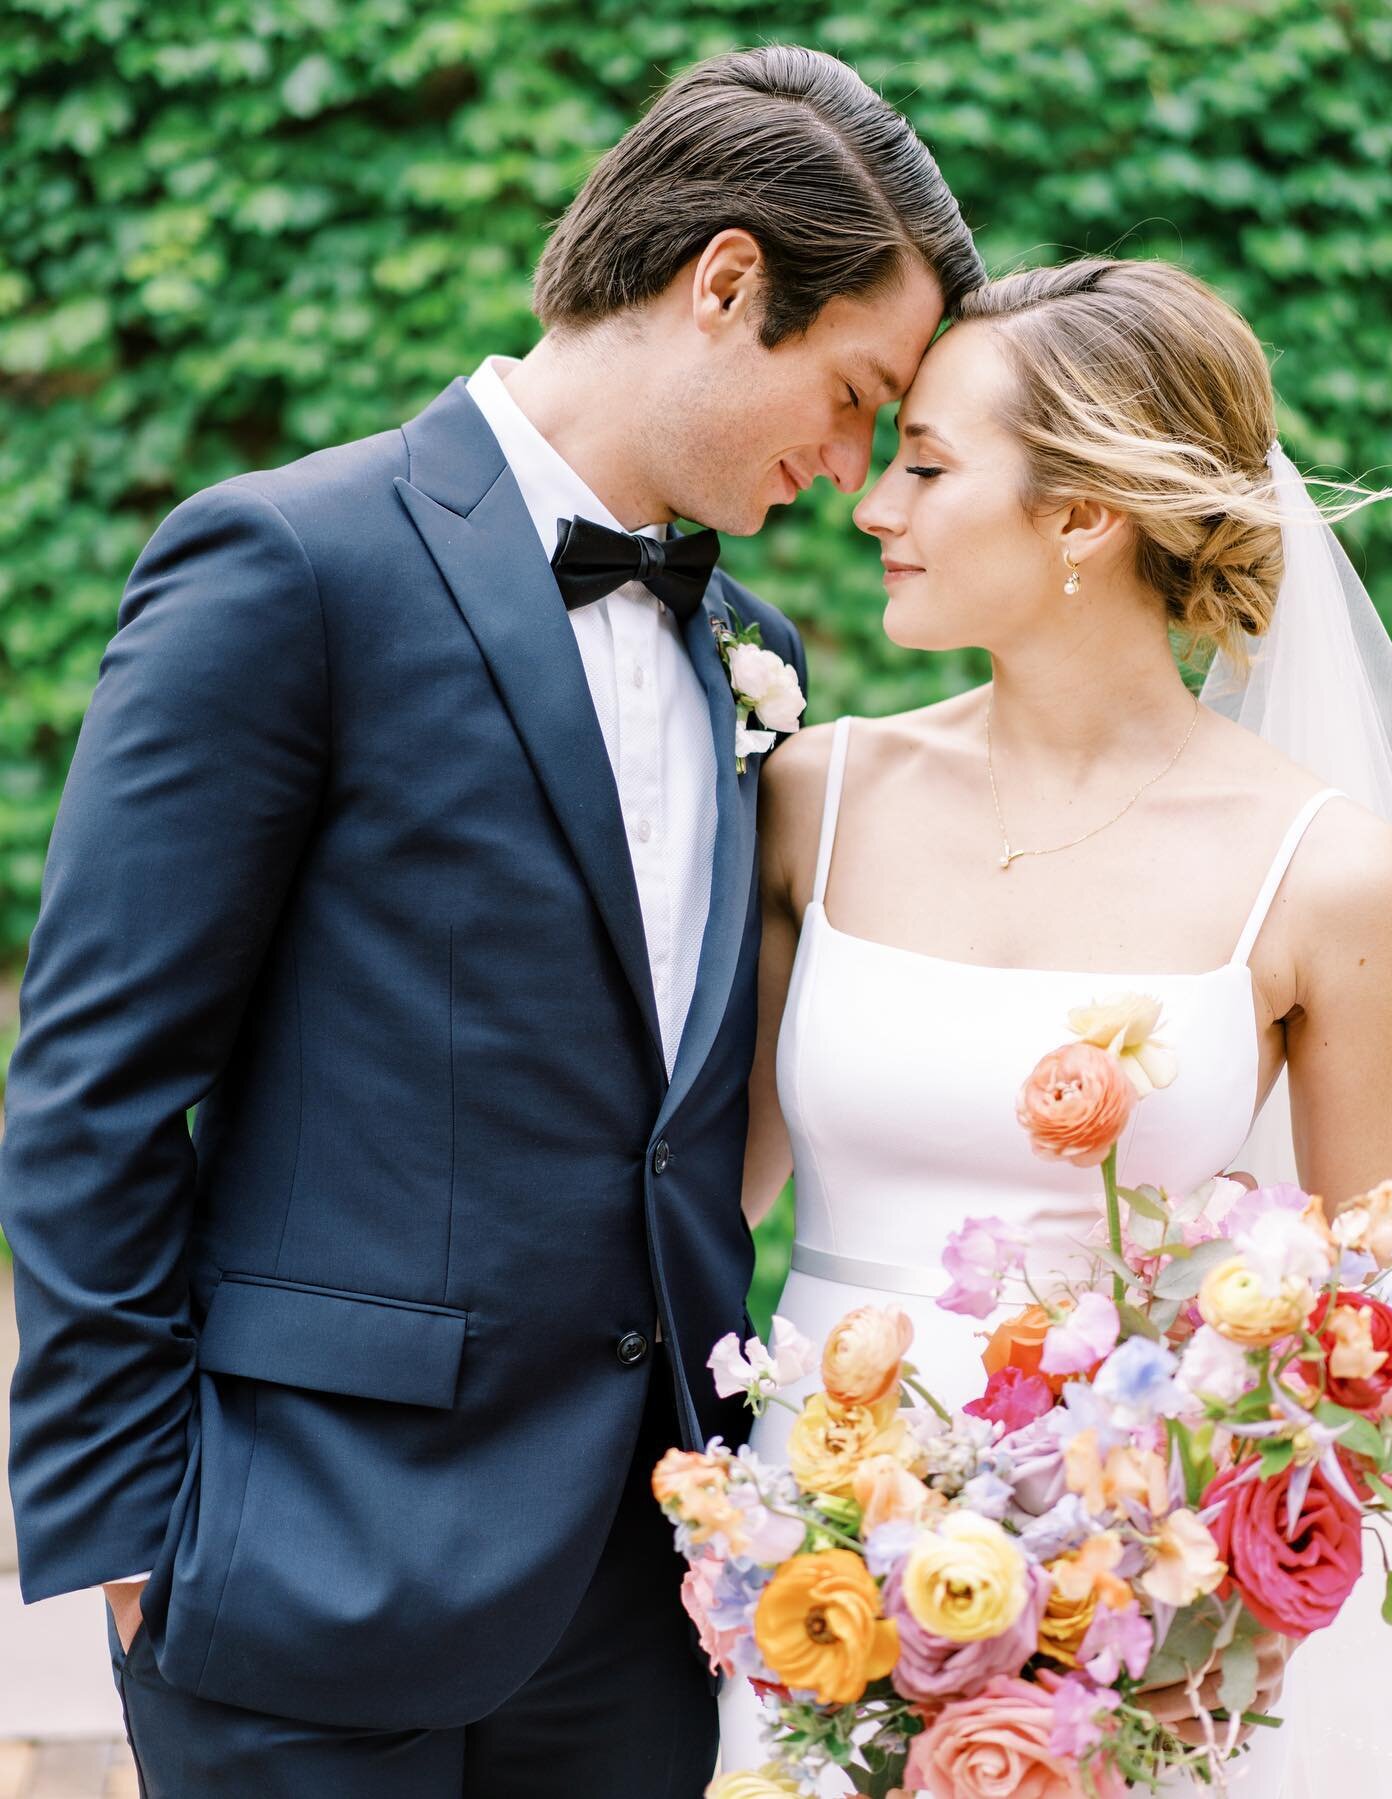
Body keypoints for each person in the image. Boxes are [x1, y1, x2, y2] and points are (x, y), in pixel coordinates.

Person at [0, 46, 983, 1798]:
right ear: (728, 281)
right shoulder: (286, 564)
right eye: (854, 395)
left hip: (644, 1593)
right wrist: (130, 1530)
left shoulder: (753, 650)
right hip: (302, 1567)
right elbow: (94, 1084)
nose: (851, 469)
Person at [720, 256, 1392, 1794]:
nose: (871, 507)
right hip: (810, 1574)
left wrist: (1202, 1618)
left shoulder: (1331, 874)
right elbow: (709, 1199)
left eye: (923, 466)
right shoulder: (810, 796)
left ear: (1082, 516)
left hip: (1141, 1620)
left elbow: (1372, 1336)